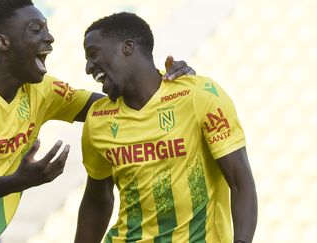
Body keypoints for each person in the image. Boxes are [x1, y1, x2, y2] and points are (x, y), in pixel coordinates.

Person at [0, 0, 193, 242]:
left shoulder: (42, 91)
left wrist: (165, 86)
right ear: (2, 42)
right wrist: (19, 181)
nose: (49, 37)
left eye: (46, 28)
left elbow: (115, 107)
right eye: (35, 30)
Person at [75, 12, 258, 243]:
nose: (88, 68)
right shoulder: (98, 118)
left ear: (127, 47)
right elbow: (97, 198)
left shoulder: (198, 96)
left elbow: (240, 181)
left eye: (93, 54)